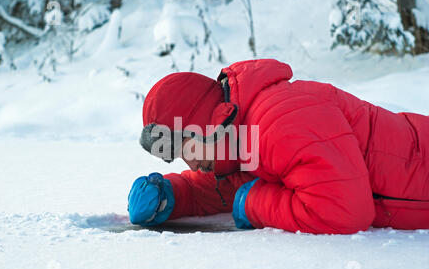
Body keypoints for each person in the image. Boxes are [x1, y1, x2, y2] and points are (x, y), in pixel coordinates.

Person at [127, 59, 429, 235]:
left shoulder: (278, 119)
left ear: (204, 126)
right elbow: (228, 187)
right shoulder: (242, 135)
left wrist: (254, 203)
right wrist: (171, 196)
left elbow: (345, 211)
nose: (190, 164)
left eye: (187, 149)